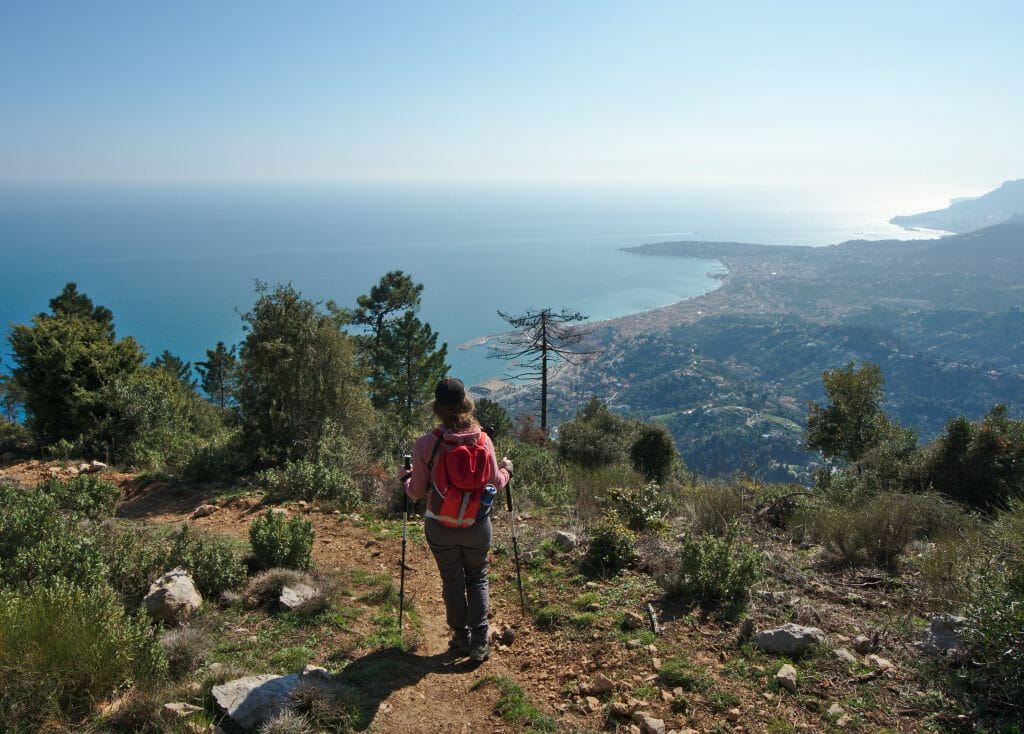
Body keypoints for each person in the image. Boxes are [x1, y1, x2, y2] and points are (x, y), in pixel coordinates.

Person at [401, 377, 512, 662]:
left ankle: (460, 637)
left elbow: (415, 492)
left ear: (436, 407)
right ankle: (479, 642)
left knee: (452, 580)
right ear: (466, 403)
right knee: (477, 578)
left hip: (440, 524)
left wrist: (406, 479)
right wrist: (506, 471)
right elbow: (494, 483)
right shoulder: (483, 441)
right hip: (476, 524)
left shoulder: (426, 444)